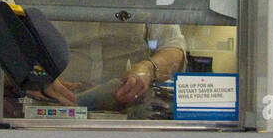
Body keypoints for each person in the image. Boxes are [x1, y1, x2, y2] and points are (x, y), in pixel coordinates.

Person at [41, 20, 186, 116]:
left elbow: (173, 47)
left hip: (131, 113)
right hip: (54, 112)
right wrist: (40, 77)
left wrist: (147, 70)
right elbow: (28, 52)